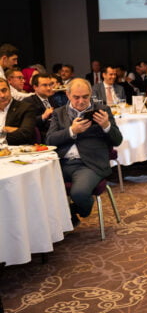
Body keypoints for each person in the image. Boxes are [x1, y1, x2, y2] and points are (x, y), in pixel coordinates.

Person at [46, 78, 123, 227]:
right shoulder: (59, 113)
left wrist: (106, 125)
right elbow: (49, 140)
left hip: (89, 165)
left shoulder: (102, 110)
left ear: (91, 94)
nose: (81, 101)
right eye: (76, 97)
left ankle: (74, 211)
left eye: (85, 97)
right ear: (68, 95)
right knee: (38, 188)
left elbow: (118, 140)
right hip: (61, 163)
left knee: (79, 194)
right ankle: (61, 221)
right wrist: (71, 131)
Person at [0, 77, 36, 145]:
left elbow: (26, 134)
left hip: (15, 148)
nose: (2, 95)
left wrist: (2, 134)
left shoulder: (26, 108)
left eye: (4, 90)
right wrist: (10, 130)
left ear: (10, 90)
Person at [24, 73, 57, 141]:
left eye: (50, 85)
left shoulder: (52, 99)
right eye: (45, 85)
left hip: (56, 132)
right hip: (43, 136)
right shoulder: (28, 101)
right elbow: (28, 123)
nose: (49, 88)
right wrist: (43, 116)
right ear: (35, 87)